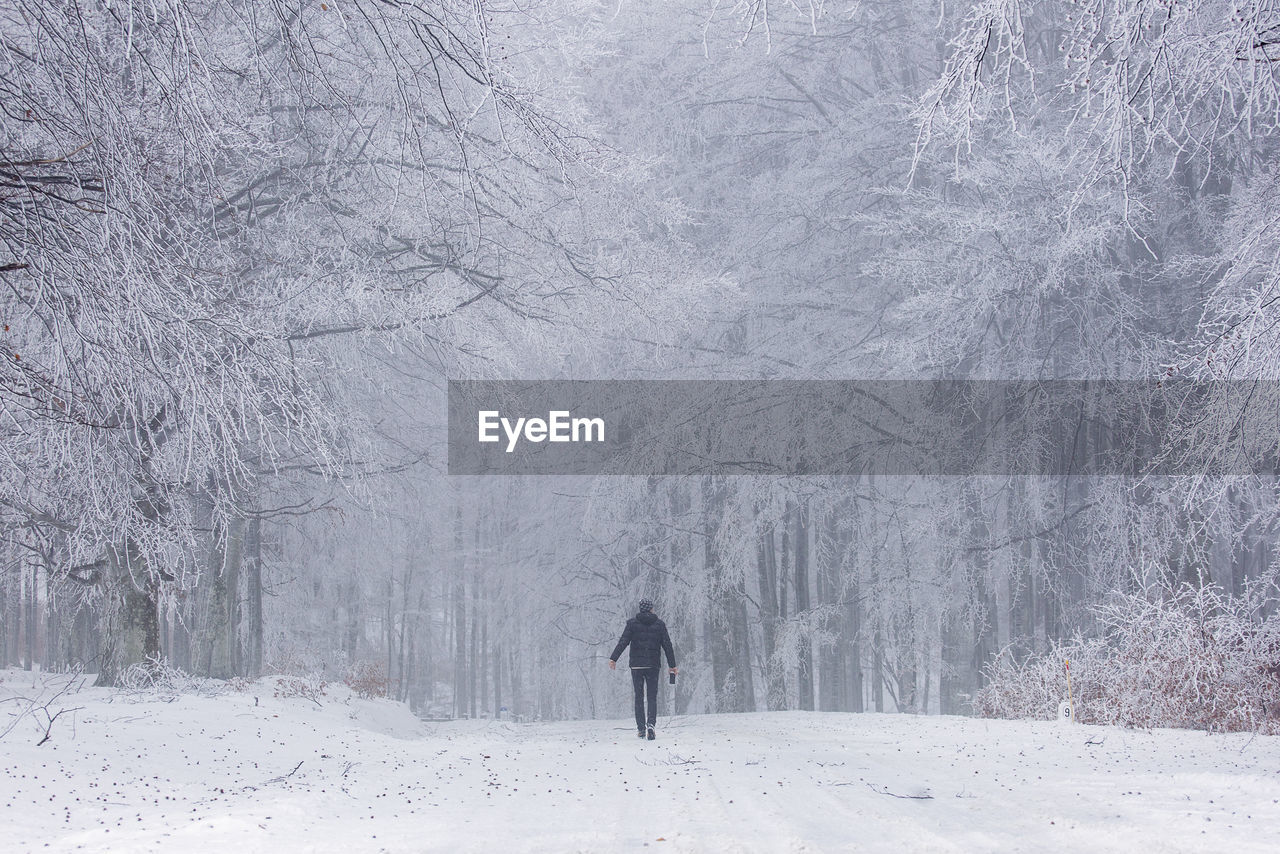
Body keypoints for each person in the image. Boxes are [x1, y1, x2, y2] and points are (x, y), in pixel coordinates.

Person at [608, 598, 677, 740]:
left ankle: (641, 729)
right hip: (653, 666)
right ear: (651, 609)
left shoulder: (632, 624)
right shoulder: (659, 625)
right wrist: (672, 665)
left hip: (637, 666)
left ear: (640, 609)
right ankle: (651, 725)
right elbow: (667, 646)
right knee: (652, 697)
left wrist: (613, 658)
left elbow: (623, 642)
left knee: (639, 697)